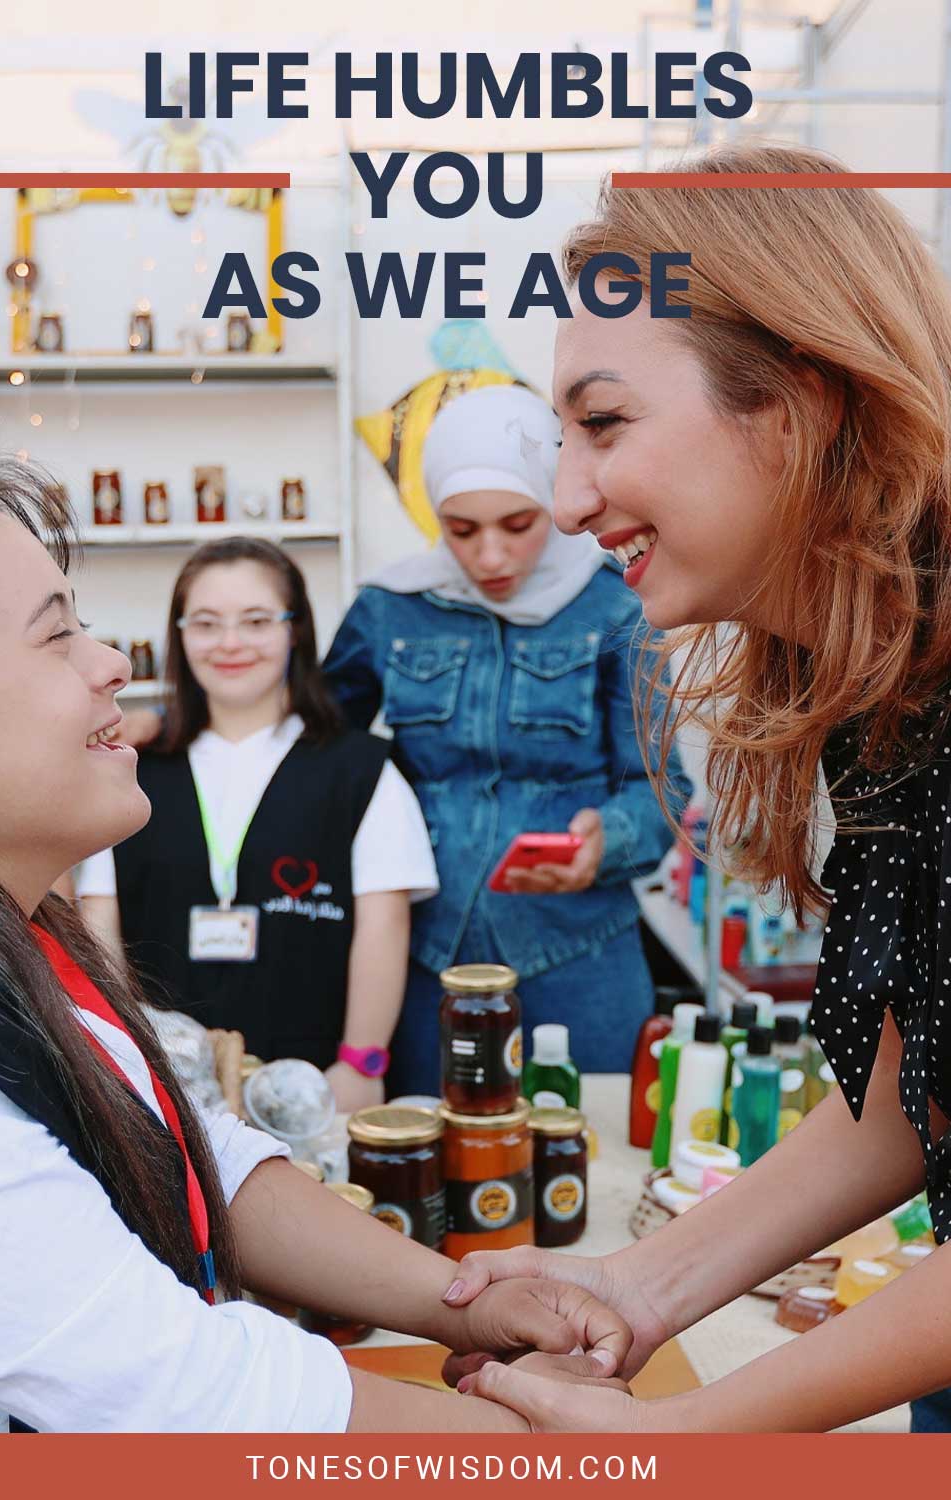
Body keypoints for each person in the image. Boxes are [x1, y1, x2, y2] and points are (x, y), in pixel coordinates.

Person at [0, 458, 632, 1434]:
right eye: (58, 635)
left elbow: (189, 1145)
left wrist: (467, 1300)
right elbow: (189, 1391)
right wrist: (554, 1446)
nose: (110, 663)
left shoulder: (25, 944)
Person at [437, 144, 951, 1433]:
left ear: (799, 401)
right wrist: (636, 1286)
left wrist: (685, 1437)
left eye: (602, 423)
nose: (564, 499)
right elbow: (909, 1099)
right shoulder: (884, 702)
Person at [322, 385, 691, 1095]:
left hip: (581, 956)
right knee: (429, 1166)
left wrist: (605, 841)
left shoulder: (620, 605)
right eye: (462, 530)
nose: (490, 555)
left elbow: (663, 785)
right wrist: (170, 727)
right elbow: (311, 751)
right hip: (423, 954)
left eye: (518, 523)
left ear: (550, 501)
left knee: (590, 1160)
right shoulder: (388, 610)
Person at [77, 537, 439, 1112]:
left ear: (294, 629)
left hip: (315, 1090)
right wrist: (125, 1070)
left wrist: (361, 1064)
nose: (230, 643)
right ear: (180, 634)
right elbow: (100, 926)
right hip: (167, 1095)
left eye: (255, 621)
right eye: (206, 623)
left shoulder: (362, 770)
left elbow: (384, 927)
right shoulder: (129, 768)